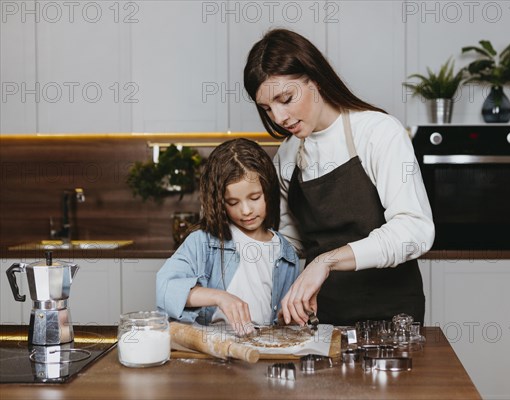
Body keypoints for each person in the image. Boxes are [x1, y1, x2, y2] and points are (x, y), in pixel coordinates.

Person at [243, 29, 435, 327]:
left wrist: (326, 261)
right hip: (320, 319)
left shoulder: (377, 132)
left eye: (286, 98)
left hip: (390, 320)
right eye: (267, 108)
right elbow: (290, 244)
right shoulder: (287, 156)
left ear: (316, 80)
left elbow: (415, 230)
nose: (279, 117)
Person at [156, 138, 300, 336]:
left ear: (269, 191)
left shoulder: (286, 253)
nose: (246, 210)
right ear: (219, 202)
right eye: (233, 202)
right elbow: (165, 289)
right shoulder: (203, 242)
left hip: (260, 349)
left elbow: (282, 322)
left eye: (255, 198)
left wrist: (289, 317)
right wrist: (219, 297)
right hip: (213, 349)